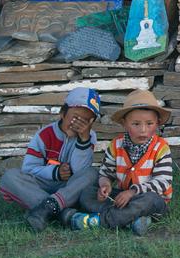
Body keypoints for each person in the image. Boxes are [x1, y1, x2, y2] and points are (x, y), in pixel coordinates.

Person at [64, 89, 173, 236]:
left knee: (151, 200)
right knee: (87, 193)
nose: (143, 130)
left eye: (149, 124)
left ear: (157, 123)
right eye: (136, 124)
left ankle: (98, 221)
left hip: (150, 200)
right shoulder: (116, 145)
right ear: (124, 123)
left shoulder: (161, 148)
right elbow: (106, 172)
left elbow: (163, 182)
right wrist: (105, 185)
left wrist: (133, 192)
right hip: (123, 198)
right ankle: (131, 220)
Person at [0, 87, 100, 232]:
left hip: (69, 189)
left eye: (86, 121)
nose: (79, 124)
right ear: (62, 113)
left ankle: (45, 209)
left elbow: (80, 171)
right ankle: (63, 213)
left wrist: (84, 140)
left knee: (92, 174)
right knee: (10, 177)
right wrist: (55, 172)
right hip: (43, 185)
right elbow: (29, 169)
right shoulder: (44, 135)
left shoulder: (89, 137)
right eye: (76, 117)